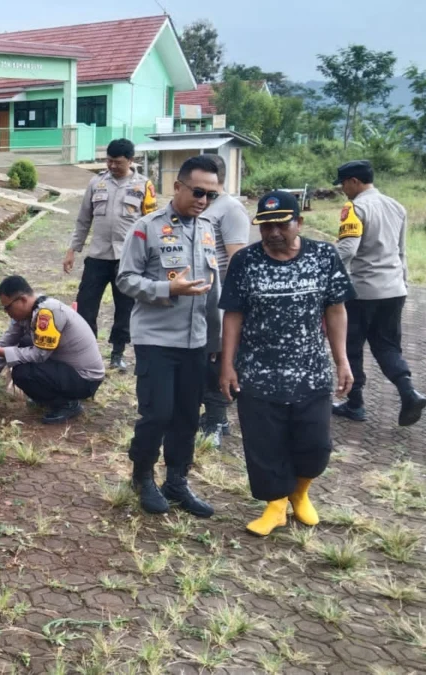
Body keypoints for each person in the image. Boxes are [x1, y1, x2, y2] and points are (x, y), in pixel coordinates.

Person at [218, 192, 355, 536]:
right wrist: (228, 364)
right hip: (259, 372)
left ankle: (300, 493)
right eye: (266, 225)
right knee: (265, 443)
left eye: (282, 223)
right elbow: (233, 315)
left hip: (311, 370)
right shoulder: (245, 261)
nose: (274, 232)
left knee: (315, 443)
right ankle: (276, 505)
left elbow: (335, 309)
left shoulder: (323, 256)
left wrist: (342, 360)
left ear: (299, 223)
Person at [116, 155, 221, 517]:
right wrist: (168, 288)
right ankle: (142, 475)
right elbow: (126, 279)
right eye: (197, 191)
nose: (203, 200)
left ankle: (176, 481)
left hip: (195, 341)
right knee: (157, 414)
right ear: (177, 187)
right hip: (156, 340)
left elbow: (213, 291)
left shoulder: (207, 229)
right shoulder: (146, 227)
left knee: (187, 417)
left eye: (211, 195)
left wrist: (216, 342)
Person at [330, 160, 426, 426]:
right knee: (387, 346)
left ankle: (355, 404)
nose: (343, 190)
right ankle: (408, 391)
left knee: (352, 347)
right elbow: (402, 251)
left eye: (343, 184)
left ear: (354, 182)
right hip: (394, 289)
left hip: (363, 292)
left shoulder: (355, 207)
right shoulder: (397, 206)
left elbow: (348, 249)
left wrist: (324, 266)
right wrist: (403, 285)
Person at [64, 138, 157, 372]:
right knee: (86, 305)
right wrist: (72, 250)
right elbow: (84, 219)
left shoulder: (143, 185)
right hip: (98, 256)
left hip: (128, 259)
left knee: (125, 307)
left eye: (118, 162)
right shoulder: (97, 183)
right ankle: (87, 350)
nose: (112, 166)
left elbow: (151, 223)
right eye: (109, 161)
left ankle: (117, 352)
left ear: (131, 160)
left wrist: (151, 258)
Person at [0, 275, 105, 424]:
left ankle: (68, 404)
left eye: (7, 307)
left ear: (22, 300)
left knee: (23, 372)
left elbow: (39, 355)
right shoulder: (28, 313)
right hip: (68, 371)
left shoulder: (48, 313)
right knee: (23, 345)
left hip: (85, 378)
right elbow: (7, 342)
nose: (6, 312)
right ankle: (50, 397)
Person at [197, 154, 251, 446]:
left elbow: (236, 260)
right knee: (203, 358)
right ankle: (211, 415)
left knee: (218, 358)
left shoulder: (230, 210)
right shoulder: (203, 205)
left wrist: (230, 306)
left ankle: (217, 420)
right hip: (198, 298)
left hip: (219, 299)